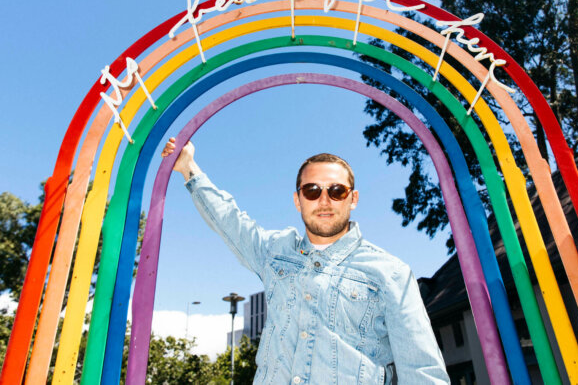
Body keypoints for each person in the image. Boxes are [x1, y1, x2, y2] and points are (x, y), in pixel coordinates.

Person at [162, 138, 449, 384]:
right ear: (298, 200)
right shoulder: (275, 253)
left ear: (353, 199)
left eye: (337, 191)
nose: (324, 200)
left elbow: (423, 370)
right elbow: (230, 221)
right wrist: (189, 168)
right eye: (312, 191)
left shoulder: (391, 273)